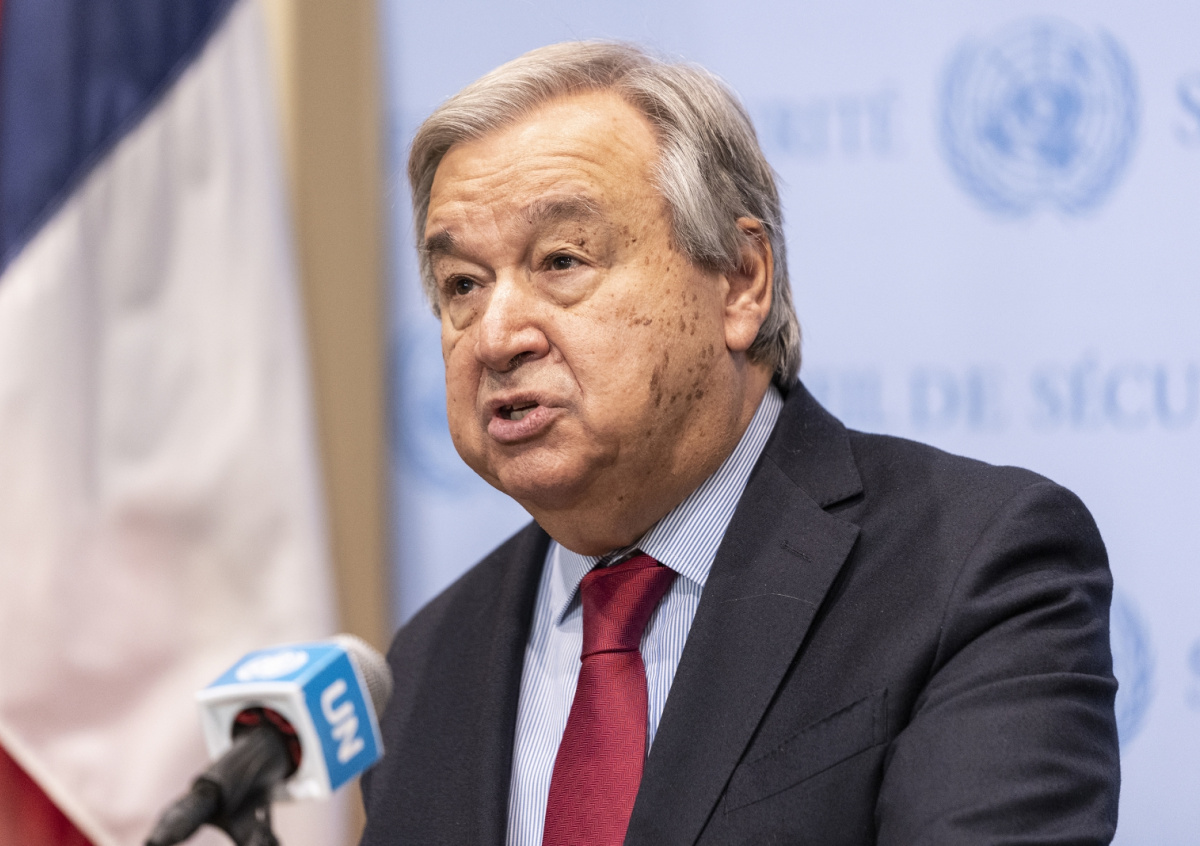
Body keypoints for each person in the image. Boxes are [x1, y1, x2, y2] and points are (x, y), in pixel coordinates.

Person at [360, 41, 1119, 845]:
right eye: (463, 285)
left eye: (561, 261)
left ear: (741, 280)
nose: (496, 336)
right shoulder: (424, 668)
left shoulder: (973, 569)